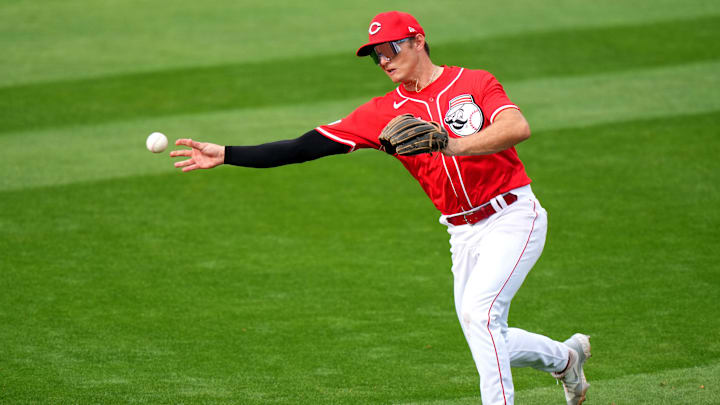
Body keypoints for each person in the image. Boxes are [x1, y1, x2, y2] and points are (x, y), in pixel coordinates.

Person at [170, 11, 591, 405]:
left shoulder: (474, 82)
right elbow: (303, 147)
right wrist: (227, 153)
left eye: (390, 49)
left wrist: (452, 144)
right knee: (485, 331)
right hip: (462, 233)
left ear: (418, 42)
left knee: (481, 316)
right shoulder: (382, 113)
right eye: (375, 55)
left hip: (512, 215)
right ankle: (565, 360)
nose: (383, 61)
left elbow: (517, 127)